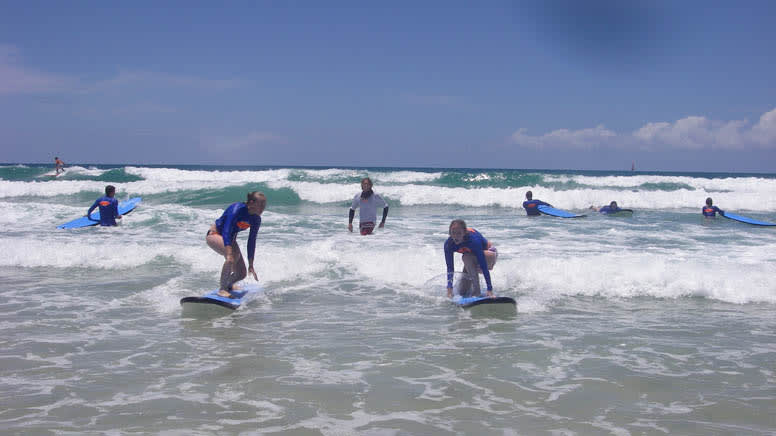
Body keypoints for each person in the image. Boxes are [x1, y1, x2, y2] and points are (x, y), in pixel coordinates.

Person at [207, 192, 266, 297]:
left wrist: (251, 264)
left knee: (242, 273)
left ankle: (229, 284)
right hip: (214, 235)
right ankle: (222, 289)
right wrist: (229, 252)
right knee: (232, 257)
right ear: (251, 203)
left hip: (230, 239)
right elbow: (226, 230)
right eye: (260, 205)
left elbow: (252, 241)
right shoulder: (237, 208)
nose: (263, 208)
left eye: (264, 205)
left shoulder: (256, 219)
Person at [444, 219, 498, 299]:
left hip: (490, 255)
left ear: (464, 233)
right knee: (462, 291)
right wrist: (449, 289)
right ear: (450, 233)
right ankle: (472, 292)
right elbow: (450, 268)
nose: (456, 236)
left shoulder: (473, 241)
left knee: (466, 257)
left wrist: (489, 289)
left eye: (459, 233)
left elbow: (483, 264)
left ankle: (477, 292)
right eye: (453, 233)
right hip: (473, 259)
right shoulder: (449, 244)